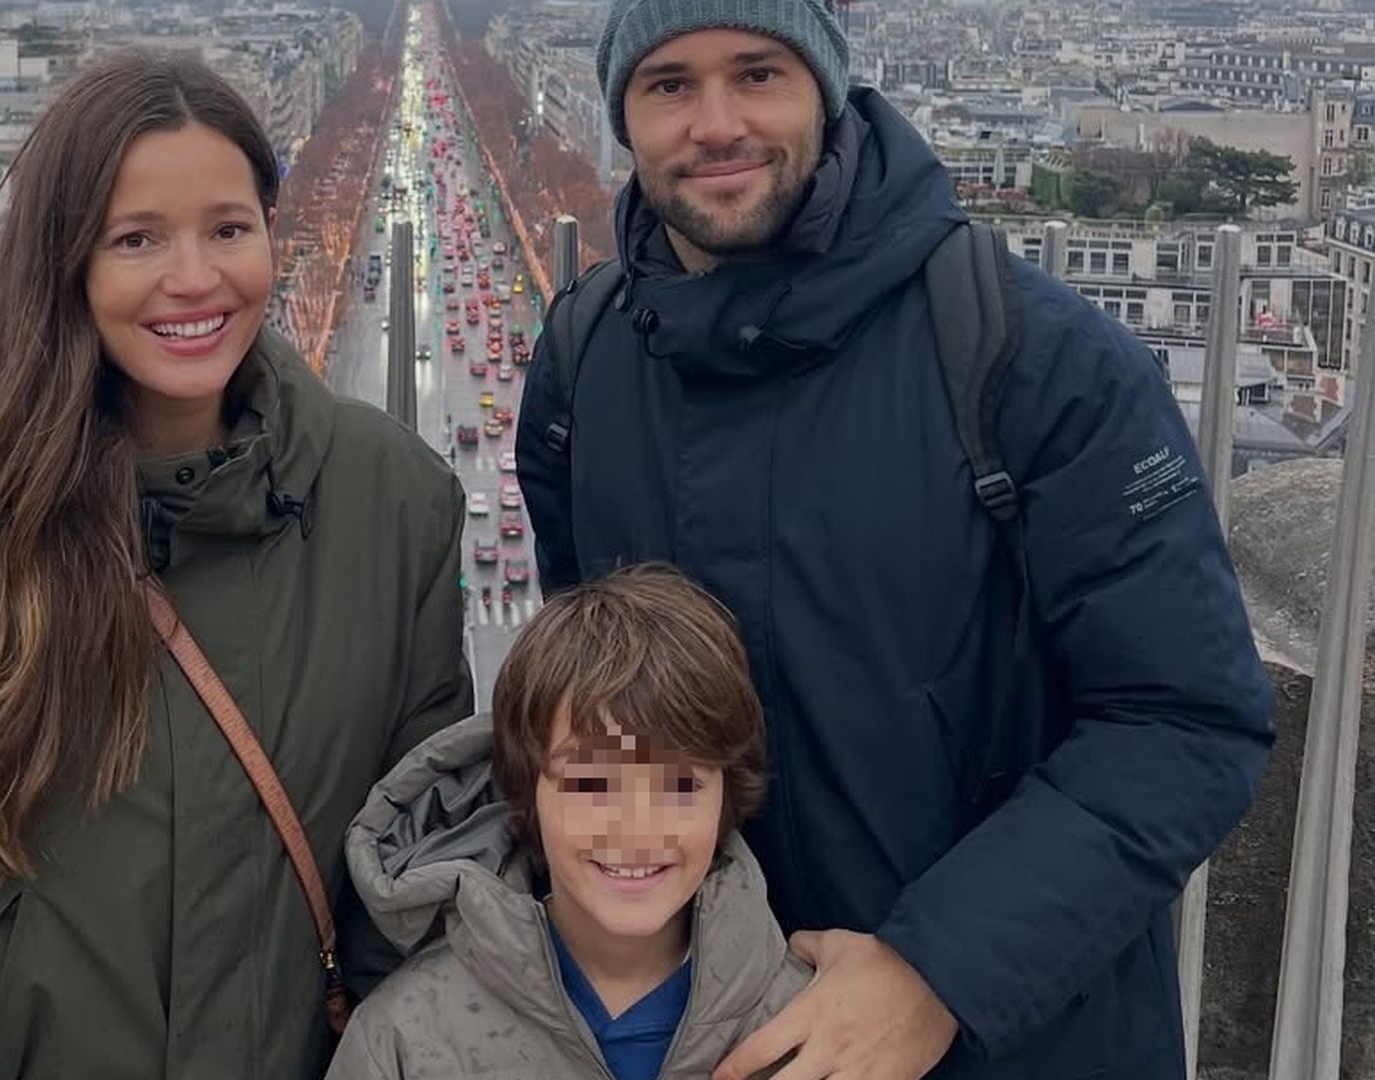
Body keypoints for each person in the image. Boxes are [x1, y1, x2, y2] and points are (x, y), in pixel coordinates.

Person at [513, 2, 1276, 1078]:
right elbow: (597, 695)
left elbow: (1185, 721)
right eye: (669, 84)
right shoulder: (581, 363)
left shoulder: (1042, 362)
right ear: (623, 118)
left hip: (1006, 1038)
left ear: (826, 88)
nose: (716, 120)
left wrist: (939, 973)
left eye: (757, 73)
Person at [0, 49, 473, 1079]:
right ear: (65, 262)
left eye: (229, 229)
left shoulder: (397, 503)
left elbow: (423, 851)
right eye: (136, 238)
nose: (195, 278)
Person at [328, 565, 808, 1079]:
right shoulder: (403, 1040)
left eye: (678, 785)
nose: (635, 829)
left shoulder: (820, 1027)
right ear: (524, 790)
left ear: (726, 798)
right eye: (592, 784)